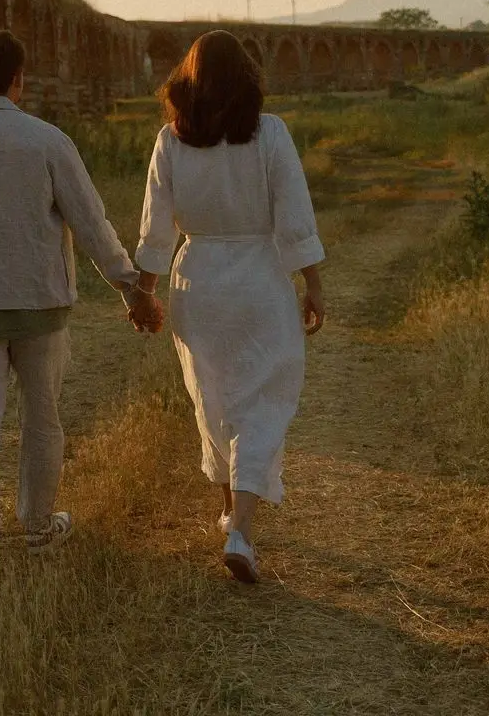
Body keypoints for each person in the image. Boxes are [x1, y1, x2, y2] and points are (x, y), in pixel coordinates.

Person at [0, 28, 162, 611]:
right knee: (42, 420)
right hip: (39, 306)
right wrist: (131, 289)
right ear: (19, 79)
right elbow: (91, 224)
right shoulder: (47, 141)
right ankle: (39, 527)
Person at [134, 30, 325, 584]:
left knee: (212, 396)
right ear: (248, 78)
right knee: (261, 398)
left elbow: (155, 224)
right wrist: (313, 282)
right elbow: (293, 212)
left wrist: (144, 290)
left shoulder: (171, 139)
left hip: (198, 281)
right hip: (259, 278)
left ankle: (229, 511)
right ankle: (239, 526)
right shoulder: (269, 133)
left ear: (187, 80)